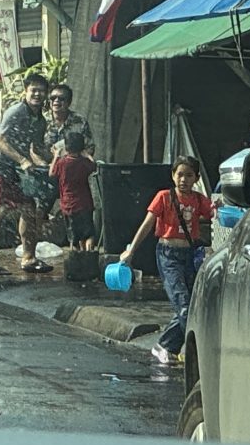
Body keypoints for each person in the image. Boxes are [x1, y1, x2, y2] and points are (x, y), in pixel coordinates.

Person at [116, 154, 212, 367]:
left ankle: (165, 346)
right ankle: (199, 354)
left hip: (189, 257)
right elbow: (147, 224)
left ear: (196, 178)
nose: (183, 180)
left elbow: (215, 213)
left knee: (191, 306)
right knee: (184, 304)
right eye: (180, 175)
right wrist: (131, 251)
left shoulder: (198, 200)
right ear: (172, 176)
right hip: (168, 255)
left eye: (189, 175)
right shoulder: (163, 197)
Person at [0, 72, 53, 276]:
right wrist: (23, 160)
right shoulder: (16, 111)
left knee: (28, 207)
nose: (37, 94)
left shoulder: (40, 121)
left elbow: (36, 148)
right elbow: (1, 141)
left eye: (41, 90)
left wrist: (51, 163)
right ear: (26, 92)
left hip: (15, 170)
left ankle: (29, 257)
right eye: (33, 90)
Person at [50, 129, 98, 250]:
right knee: (89, 235)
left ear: (66, 148)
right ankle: (89, 256)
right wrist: (87, 155)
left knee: (74, 238)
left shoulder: (62, 163)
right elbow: (94, 165)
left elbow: (51, 173)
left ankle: (76, 259)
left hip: (68, 206)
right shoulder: (84, 163)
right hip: (85, 205)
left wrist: (56, 155)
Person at [44, 82, 89, 157]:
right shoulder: (42, 120)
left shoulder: (80, 121)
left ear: (69, 102)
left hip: (72, 165)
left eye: (61, 98)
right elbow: (33, 149)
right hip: (45, 165)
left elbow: (89, 148)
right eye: (53, 98)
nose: (56, 100)